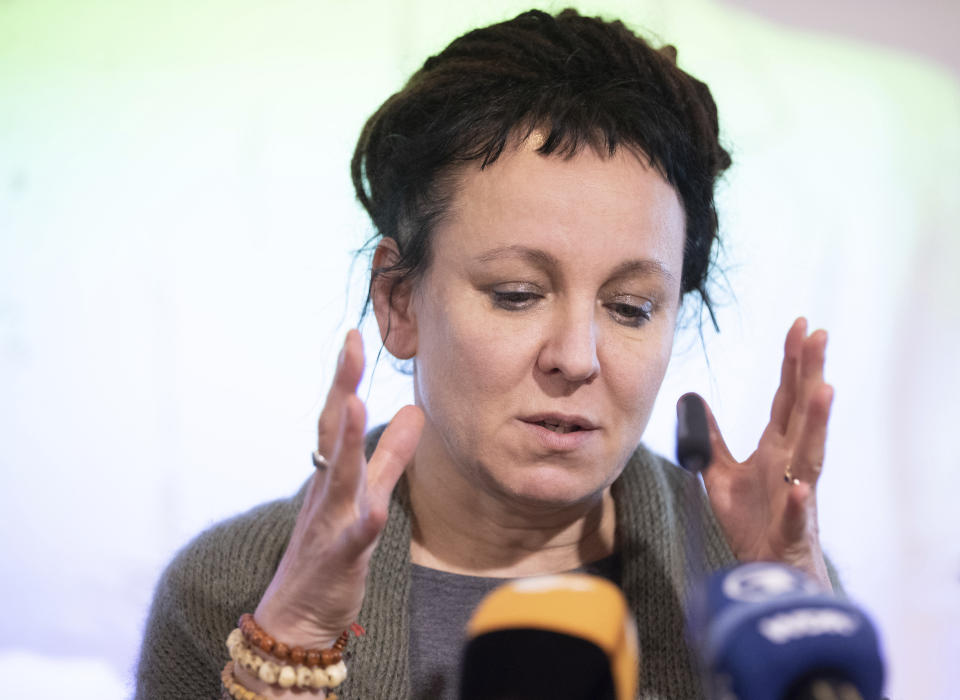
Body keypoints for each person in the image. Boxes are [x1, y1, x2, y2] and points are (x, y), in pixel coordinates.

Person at [135, 8, 839, 699]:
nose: (576, 357)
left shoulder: (754, 581)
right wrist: (291, 647)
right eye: (516, 293)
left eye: (629, 308)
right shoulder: (233, 594)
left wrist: (805, 659)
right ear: (399, 301)